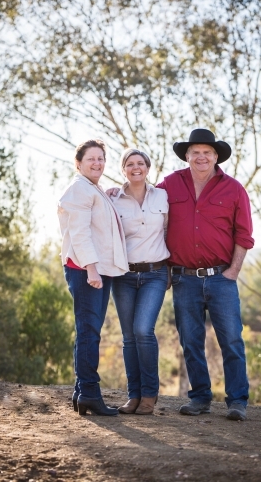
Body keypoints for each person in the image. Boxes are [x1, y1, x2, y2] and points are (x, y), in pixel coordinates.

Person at [157, 128, 254, 421]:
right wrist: (119, 190)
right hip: (184, 278)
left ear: (215, 156)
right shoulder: (169, 185)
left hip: (221, 277)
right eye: (195, 152)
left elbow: (244, 234)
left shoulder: (234, 189)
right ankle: (200, 398)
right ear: (187, 155)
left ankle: (237, 401)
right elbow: (145, 208)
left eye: (207, 152)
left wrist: (233, 271)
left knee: (232, 340)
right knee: (191, 340)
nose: (201, 157)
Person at [58, 139, 128, 416]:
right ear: (79, 163)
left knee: (89, 331)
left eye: (101, 158)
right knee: (89, 332)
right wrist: (91, 269)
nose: (97, 163)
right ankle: (88, 392)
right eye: (91, 159)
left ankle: (82, 392)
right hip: (86, 270)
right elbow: (80, 233)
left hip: (95, 269)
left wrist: (108, 195)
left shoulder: (91, 189)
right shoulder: (79, 189)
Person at [110, 149, 170, 415]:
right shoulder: (113, 199)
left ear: (147, 167)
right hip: (123, 275)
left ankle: (149, 395)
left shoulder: (162, 196)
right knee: (128, 337)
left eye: (140, 163)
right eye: (130, 164)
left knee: (143, 330)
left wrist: (172, 270)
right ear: (123, 169)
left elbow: (169, 231)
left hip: (155, 273)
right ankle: (133, 396)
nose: (136, 168)